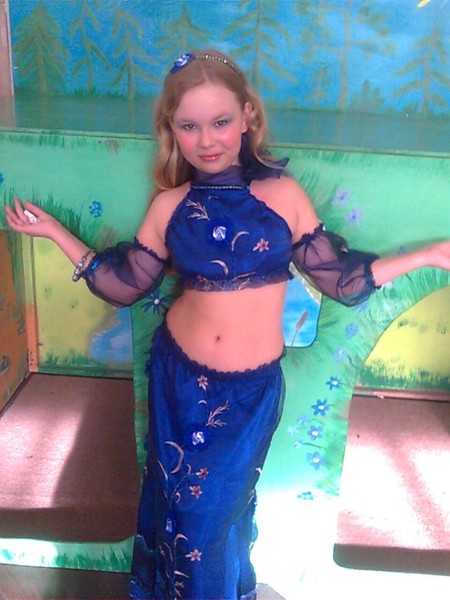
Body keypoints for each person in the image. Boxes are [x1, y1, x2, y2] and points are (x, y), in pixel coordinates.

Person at [5, 49, 450, 600]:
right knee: (174, 506)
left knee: (212, 520)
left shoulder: (282, 196)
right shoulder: (171, 205)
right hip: (177, 379)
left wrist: (429, 255)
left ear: (247, 117)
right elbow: (126, 283)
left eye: (220, 121)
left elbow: (339, 279)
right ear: (171, 130)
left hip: (248, 394)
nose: (206, 140)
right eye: (188, 126)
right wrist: (55, 233)